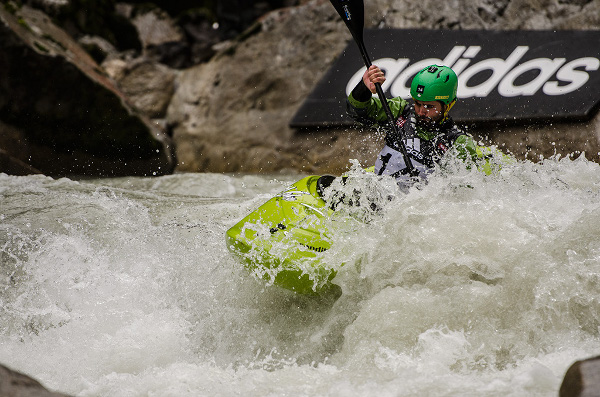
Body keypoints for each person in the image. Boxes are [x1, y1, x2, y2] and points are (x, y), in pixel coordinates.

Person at [346, 64, 479, 190]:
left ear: (448, 105)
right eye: (417, 103)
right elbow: (356, 111)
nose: (421, 112)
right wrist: (363, 88)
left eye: (429, 106)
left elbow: (461, 197)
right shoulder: (400, 112)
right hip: (377, 194)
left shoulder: (456, 143)